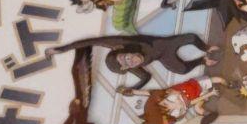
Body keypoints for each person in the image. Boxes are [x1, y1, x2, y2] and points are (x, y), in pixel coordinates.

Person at [50, 31, 214, 90]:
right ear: (126, 68)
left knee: (191, 38)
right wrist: (132, 88)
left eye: (126, 57)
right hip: (163, 57)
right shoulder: (131, 67)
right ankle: (203, 60)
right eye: (127, 64)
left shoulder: (119, 42)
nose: (132, 61)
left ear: (122, 50)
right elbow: (146, 77)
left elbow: (90, 42)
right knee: (181, 70)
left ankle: (206, 49)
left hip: (163, 43)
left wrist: (61, 49)